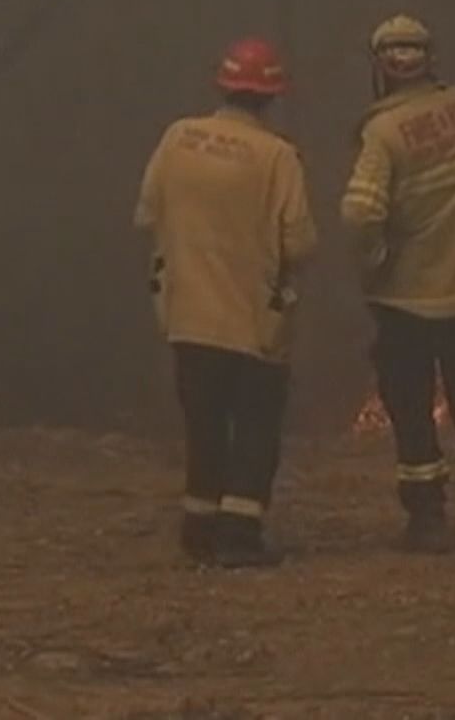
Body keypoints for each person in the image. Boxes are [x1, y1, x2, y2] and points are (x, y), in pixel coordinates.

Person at [135, 38, 317, 568]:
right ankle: (239, 534)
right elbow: (301, 243)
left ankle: (199, 526)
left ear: (222, 85)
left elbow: (148, 214)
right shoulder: (278, 157)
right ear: (272, 96)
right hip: (253, 318)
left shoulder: (177, 139)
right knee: (255, 425)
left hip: (186, 312)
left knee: (203, 423)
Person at [342, 15, 455, 554]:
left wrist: (374, 256)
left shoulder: (384, 133)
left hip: (406, 299)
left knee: (412, 412)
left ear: (381, 67)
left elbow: (359, 211)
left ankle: (429, 521)